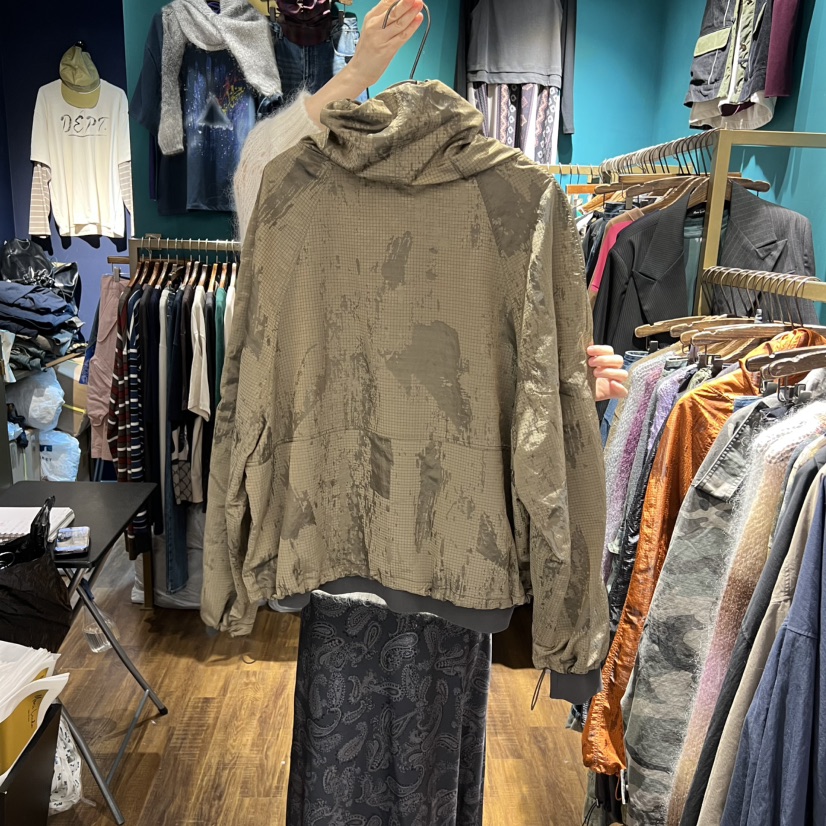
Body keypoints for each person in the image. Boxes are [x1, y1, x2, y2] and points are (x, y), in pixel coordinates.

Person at [234, 0, 628, 402]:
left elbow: (501, 376)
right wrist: (356, 73)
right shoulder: (305, 205)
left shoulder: (521, 208)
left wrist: (564, 389)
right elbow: (260, 175)